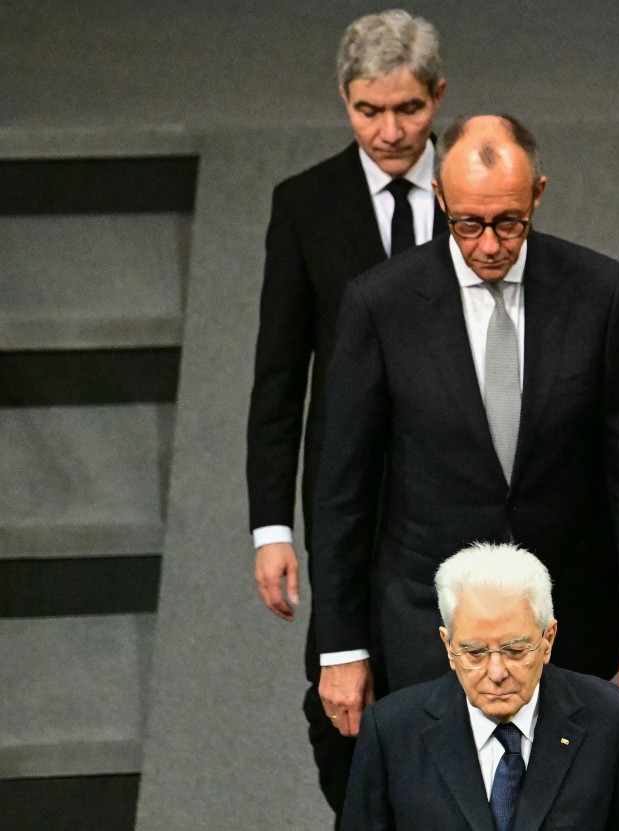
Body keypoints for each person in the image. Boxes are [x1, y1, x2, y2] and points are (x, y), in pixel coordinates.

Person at [312, 114, 619, 745]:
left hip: (572, 623)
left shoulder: (600, 292)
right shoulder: (381, 304)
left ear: (538, 194)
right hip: (431, 626)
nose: (488, 244)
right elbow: (343, 489)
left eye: (509, 222)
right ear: (440, 201)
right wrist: (340, 647)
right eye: (468, 224)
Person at [244, 9, 446, 820]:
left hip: (464, 482)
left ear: (439, 96)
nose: (389, 131)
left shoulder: (479, 180)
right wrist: (270, 528)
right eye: (369, 110)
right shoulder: (305, 203)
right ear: (343, 100)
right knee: (344, 698)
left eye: (408, 109)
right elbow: (279, 374)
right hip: (349, 496)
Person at [342, 543, 619, 830]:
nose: (496, 672)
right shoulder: (392, 731)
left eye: (515, 650)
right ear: (448, 646)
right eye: (475, 652)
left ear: (548, 639)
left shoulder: (614, 722)